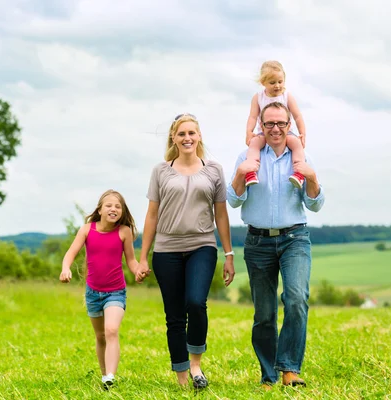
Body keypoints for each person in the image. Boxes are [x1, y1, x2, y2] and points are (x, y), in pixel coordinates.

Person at [227, 102, 325, 388]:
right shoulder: (247, 157)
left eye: (281, 123)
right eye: (269, 124)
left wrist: (312, 178)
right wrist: (239, 174)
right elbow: (233, 201)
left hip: (295, 238)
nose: (275, 129)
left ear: (288, 126)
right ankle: (268, 375)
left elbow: (315, 204)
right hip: (257, 241)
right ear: (261, 126)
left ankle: (290, 369)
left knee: (296, 299)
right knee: (264, 313)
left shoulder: (302, 158)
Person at [139, 113, 235, 389]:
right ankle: (182, 377)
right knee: (175, 315)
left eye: (192, 133)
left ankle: (196, 365)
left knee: (196, 302)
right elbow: (152, 215)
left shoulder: (214, 170)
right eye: (181, 134)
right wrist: (143, 256)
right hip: (166, 249)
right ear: (174, 138)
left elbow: (221, 215)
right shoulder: (161, 171)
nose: (187, 138)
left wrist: (228, 255)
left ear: (199, 136)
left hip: (202, 245)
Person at [59, 189, 148, 389]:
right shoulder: (86, 230)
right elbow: (70, 253)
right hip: (92, 292)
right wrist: (66, 269)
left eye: (118, 206)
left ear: (122, 211)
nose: (113, 209)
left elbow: (131, 261)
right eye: (109, 205)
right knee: (100, 336)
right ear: (100, 210)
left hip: (115, 292)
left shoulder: (124, 232)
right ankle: (104, 376)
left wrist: (138, 272)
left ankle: (110, 376)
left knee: (111, 330)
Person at [244, 60, 307, 188]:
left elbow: (298, 116)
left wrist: (302, 133)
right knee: (254, 144)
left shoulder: (287, 96)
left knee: (296, 144)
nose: (277, 86)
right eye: (272, 83)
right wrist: (249, 132)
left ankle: (299, 173)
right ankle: (251, 172)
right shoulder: (258, 97)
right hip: (264, 133)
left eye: (280, 81)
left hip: (285, 133)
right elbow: (252, 117)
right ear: (263, 83)